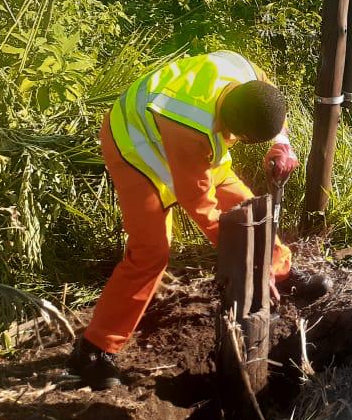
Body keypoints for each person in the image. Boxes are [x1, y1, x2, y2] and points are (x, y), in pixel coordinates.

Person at [67, 50, 331, 390]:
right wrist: (250, 265)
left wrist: (282, 144)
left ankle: (282, 273)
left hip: (181, 140)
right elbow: (202, 207)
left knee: (247, 206)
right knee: (151, 252)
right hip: (135, 148)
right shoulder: (190, 127)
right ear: (228, 129)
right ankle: (93, 351)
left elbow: (269, 101)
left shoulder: (245, 73)